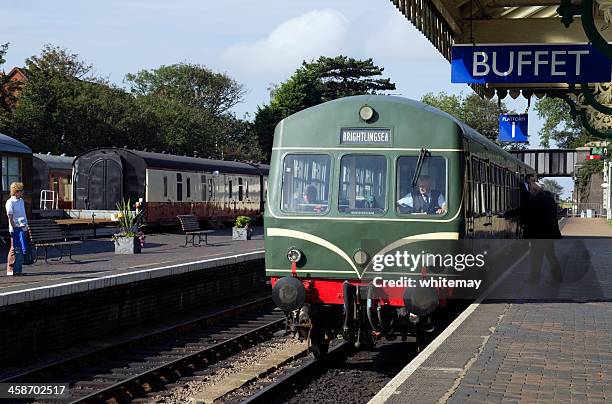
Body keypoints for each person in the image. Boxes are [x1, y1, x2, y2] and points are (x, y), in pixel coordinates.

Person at [523, 182, 563, 283]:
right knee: (551, 256)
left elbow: (525, 211)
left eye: (531, 190)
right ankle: (557, 278)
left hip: (539, 234)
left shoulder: (536, 200)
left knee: (536, 257)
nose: (529, 192)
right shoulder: (549, 199)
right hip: (549, 234)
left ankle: (534, 279)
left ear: (535, 190)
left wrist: (508, 214)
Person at [6, 182, 28, 276]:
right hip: (15, 228)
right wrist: (14, 227)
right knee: (14, 248)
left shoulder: (21, 201)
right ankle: (10, 269)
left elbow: (23, 213)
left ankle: (18, 270)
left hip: (23, 227)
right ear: (15, 191)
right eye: (20, 190)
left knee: (20, 248)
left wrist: (26, 225)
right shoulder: (10, 202)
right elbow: (10, 216)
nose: (22, 192)